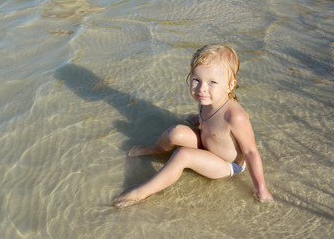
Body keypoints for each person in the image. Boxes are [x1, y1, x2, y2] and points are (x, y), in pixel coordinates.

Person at [113, 44, 273, 208]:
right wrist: (198, 119)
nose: (202, 88)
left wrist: (261, 189)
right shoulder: (207, 99)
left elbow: (251, 152)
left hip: (226, 164)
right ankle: (154, 149)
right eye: (196, 80)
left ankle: (142, 193)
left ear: (230, 85)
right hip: (206, 143)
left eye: (212, 82)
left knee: (183, 155)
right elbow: (212, 121)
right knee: (175, 133)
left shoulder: (235, 116)